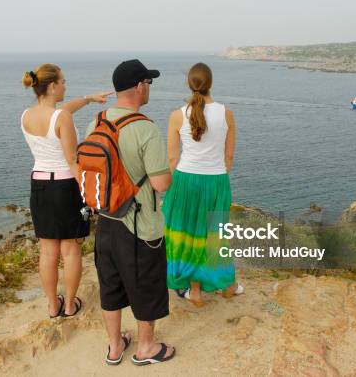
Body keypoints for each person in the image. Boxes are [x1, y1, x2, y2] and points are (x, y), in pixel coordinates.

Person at [86, 59, 175, 366]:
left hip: (106, 222)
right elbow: (161, 183)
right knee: (146, 284)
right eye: (148, 83)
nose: (149, 88)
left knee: (110, 285)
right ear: (139, 87)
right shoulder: (145, 128)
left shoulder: (95, 122)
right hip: (139, 225)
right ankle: (146, 348)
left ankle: (114, 346)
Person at [21, 64, 112, 318]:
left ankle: (53, 305)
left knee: (48, 250)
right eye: (63, 81)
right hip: (65, 186)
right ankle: (70, 305)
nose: (65, 85)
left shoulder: (26, 115)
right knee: (70, 249)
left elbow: (59, 112)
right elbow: (73, 160)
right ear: (52, 86)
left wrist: (87, 99)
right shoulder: (62, 118)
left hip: (39, 185)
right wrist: (90, 195)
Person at [162, 62, 242, 307]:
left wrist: (170, 191)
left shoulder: (177, 115)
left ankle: (194, 290)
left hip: (185, 181)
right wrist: (219, 176)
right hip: (216, 180)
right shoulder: (226, 113)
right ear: (211, 83)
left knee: (189, 234)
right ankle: (227, 284)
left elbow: (172, 158)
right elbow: (229, 157)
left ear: (189, 84)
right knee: (214, 235)